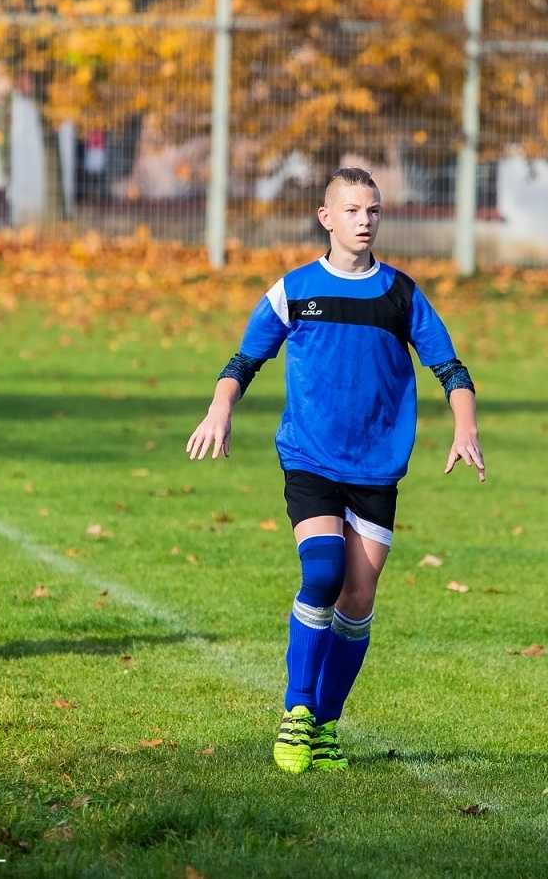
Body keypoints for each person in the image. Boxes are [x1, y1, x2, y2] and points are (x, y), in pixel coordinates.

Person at [186, 165, 486, 774]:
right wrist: (220, 410)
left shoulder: (401, 294)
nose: (364, 221)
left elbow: (450, 367)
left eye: (372, 211)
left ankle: (323, 723)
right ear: (327, 218)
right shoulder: (293, 289)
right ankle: (296, 713)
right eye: (352, 210)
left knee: (357, 599)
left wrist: (465, 427)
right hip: (311, 457)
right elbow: (244, 359)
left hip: (376, 468)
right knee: (321, 573)